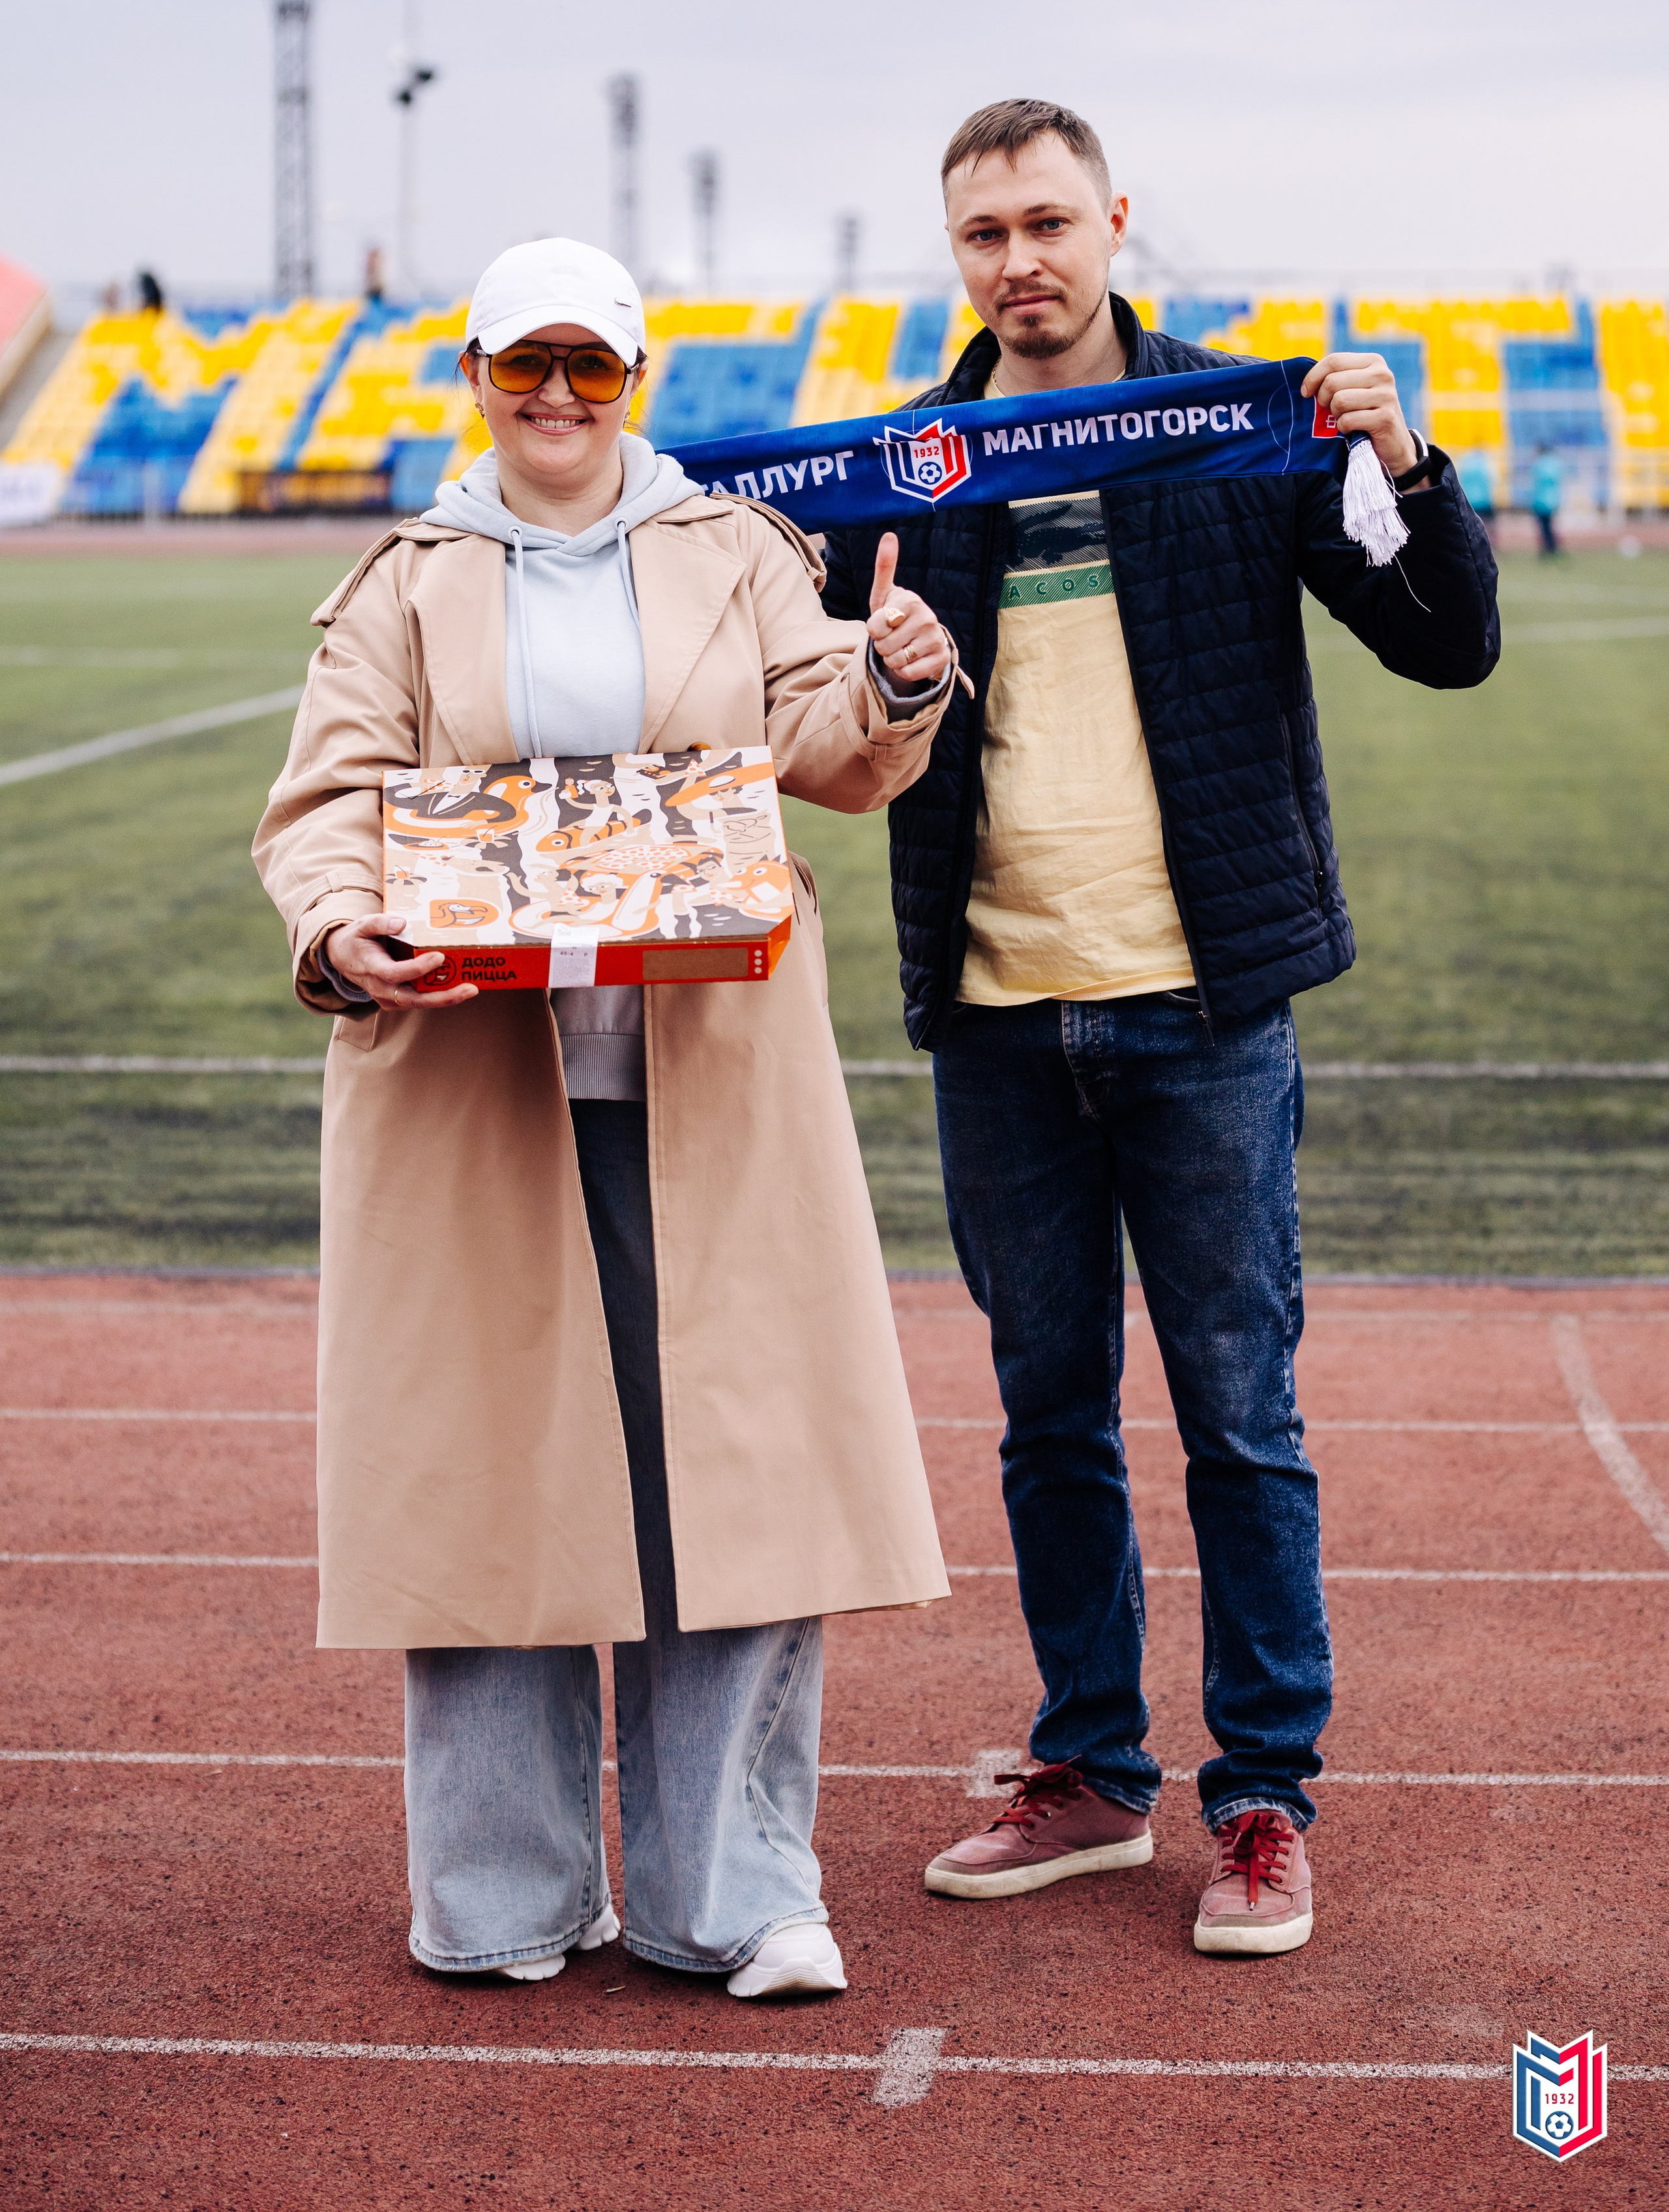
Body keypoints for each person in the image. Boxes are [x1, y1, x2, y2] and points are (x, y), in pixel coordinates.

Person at [816, 101, 1499, 1958]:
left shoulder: (1233, 423)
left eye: (1048, 220)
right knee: (1050, 1417)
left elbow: (1446, 644)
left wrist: (1411, 464)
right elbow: (806, 722)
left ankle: (1265, 1800)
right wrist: (851, 669)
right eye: (982, 234)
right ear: (951, 254)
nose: (1019, 259)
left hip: (1205, 1008)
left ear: (1115, 222)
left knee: (1240, 1418)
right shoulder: (906, 464)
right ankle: (1095, 1775)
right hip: (996, 1014)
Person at [254, 237, 955, 1997]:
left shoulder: (735, 551)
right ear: (474, 374)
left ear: (635, 380)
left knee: (736, 1476)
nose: (556, 397)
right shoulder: (403, 582)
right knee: (481, 1482)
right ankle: (501, 1892)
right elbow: (325, 805)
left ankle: (731, 1894)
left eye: (591, 366)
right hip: (471, 1098)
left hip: (708, 1085)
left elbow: (830, 739)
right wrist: (341, 923)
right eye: (522, 365)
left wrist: (895, 676)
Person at [1531, 445, 1563, 555]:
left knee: (1544, 527)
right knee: (1551, 526)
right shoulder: (1556, 463)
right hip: (1553, 500)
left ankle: (1549, 548)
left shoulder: (1539, 464)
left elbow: (1536, 484)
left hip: (1541, 501)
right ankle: (1553, 547)